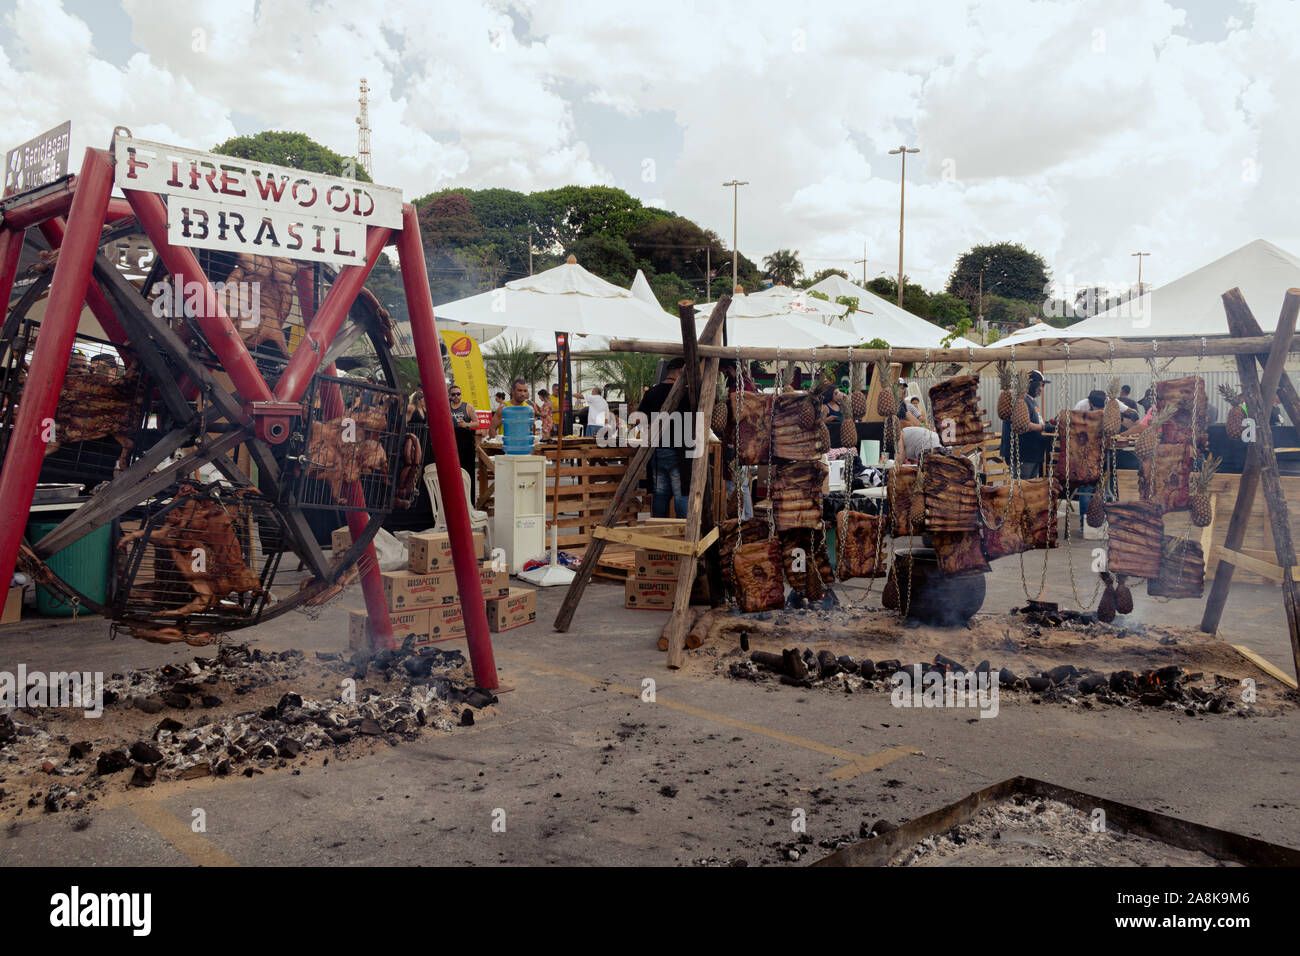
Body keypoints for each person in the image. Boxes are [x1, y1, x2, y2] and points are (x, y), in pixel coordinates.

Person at [638, 358, 690, 519]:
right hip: (680, 450)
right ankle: (684, 535)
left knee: (660, 494)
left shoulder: (652, 392)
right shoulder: (687, 393)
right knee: (681, 493)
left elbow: (639, 418)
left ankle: (659, 532)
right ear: (681, 371)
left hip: (657, 450)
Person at [1000, 369, 1054, 478]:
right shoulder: (1020, 402)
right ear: (1031, 385)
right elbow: (1023, 425)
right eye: (1040, 385)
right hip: (1023, 455)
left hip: (1033, 453)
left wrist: (1047, 424)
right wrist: (1043, 427)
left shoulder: (1031, 401)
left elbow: (1033, 420)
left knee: (1030, 488)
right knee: (1022, 487)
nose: (1041, 389)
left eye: (1043, 386)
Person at [448, 384, 478, 500]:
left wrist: (467, 424)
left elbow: (477, 423)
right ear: (449, 396)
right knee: (452, 473)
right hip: (451, 443)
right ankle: (454, 499)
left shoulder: (468, 407)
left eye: (458, 394)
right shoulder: (446, 406)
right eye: (453, 394)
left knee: (468, 472)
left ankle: (470, 500)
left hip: (466, 443)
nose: (456, 396)